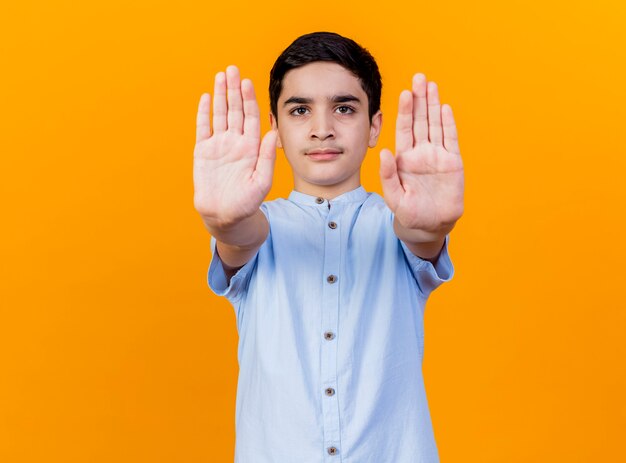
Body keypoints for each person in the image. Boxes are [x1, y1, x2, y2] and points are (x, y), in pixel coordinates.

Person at [193, 31, 464, 462]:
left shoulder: (398, 222)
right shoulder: (261, 226)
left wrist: (431, 228)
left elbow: (421, 239)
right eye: (300, 110)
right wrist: (224, 221)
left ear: (374, 125)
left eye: (344, 108)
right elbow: (239, 237)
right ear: (275, 128)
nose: (322, 129)